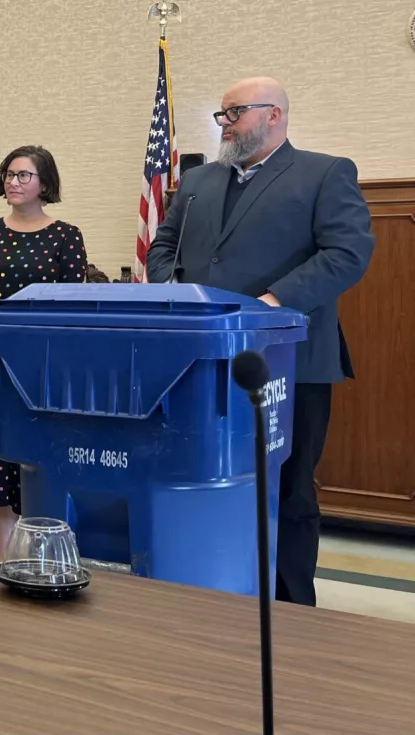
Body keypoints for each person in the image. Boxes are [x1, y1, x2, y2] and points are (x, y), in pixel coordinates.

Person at [147, 77, 374, 606]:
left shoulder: (324, 172)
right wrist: (177, 294)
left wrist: (271, 304)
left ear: (274, 114)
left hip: (289, 362)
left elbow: (347, 253)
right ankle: (211, 592)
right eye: (222, 114)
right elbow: (162, 247)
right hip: (200, 360)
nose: (223, 123)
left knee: (290, 490)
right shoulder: (199, 181)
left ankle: (292, 607)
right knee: (204, 478)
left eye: (235, 112)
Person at [0, 145, 88, 554]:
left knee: (38, 455)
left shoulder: (66, 236)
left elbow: (73, 299)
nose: (14, 182)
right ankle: (4, 555)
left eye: (24, 175)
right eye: (10, 174)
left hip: (40, 364)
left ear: (44, 182)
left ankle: (43, 554)